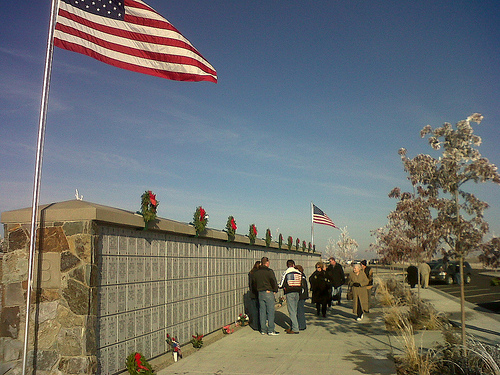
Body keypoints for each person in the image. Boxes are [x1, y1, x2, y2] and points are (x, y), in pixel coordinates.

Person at [252, 257, 280, 335]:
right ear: (267, 263)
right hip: (268, 292)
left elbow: (254, 283)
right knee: (270, 311)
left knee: (262, 311)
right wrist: (275, 290)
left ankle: (263, 329)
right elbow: (273, 281)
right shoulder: (269, 271)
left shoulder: (256, 272)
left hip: (260, 293)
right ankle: (271, 329)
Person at [279, 259, 302, 334]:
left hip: (290, 292)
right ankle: (292, 326)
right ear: (293, 265)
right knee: (294, 310)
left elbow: (281, 284)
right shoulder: (299, 273)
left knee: (291, 311)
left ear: (287, 265)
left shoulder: (286, 272)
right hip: (297, 292)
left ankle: (295, 329)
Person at [248, 260, 261, 330]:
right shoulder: (258, 273)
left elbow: (250, 284)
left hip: (252, 294)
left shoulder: (251, 273)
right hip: (259, 293)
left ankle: (255, 325)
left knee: (254, 310)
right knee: (260, 310)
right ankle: (259, 324)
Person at [295, 265, 308, 331]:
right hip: (303, 296)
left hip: (301, 297)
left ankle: (301, 325)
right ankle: (302, 324)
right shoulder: (303, 277)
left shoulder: (301, 278)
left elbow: (302, 289)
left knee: (300, 310)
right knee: (300, 310)